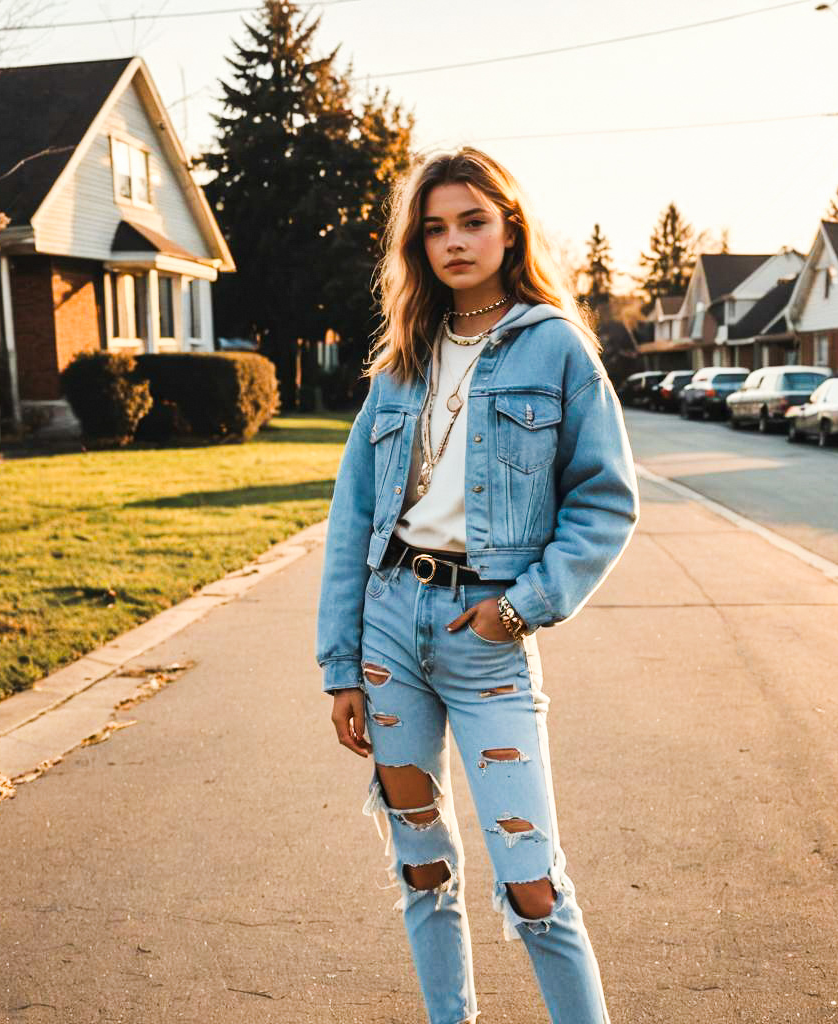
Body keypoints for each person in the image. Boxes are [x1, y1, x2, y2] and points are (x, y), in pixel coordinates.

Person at [316, 146, 638, 1024]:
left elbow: (606, 503)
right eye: (434, 228)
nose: (453, 242)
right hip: (388, 634)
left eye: (472, 221)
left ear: (508, 227)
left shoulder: (556, 347)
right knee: (422, 865)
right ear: (417, 246)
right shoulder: (403, 361)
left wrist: (519, 608)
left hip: (485, 632)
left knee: (532, 879)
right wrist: (339, 666)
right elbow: (351, 522)